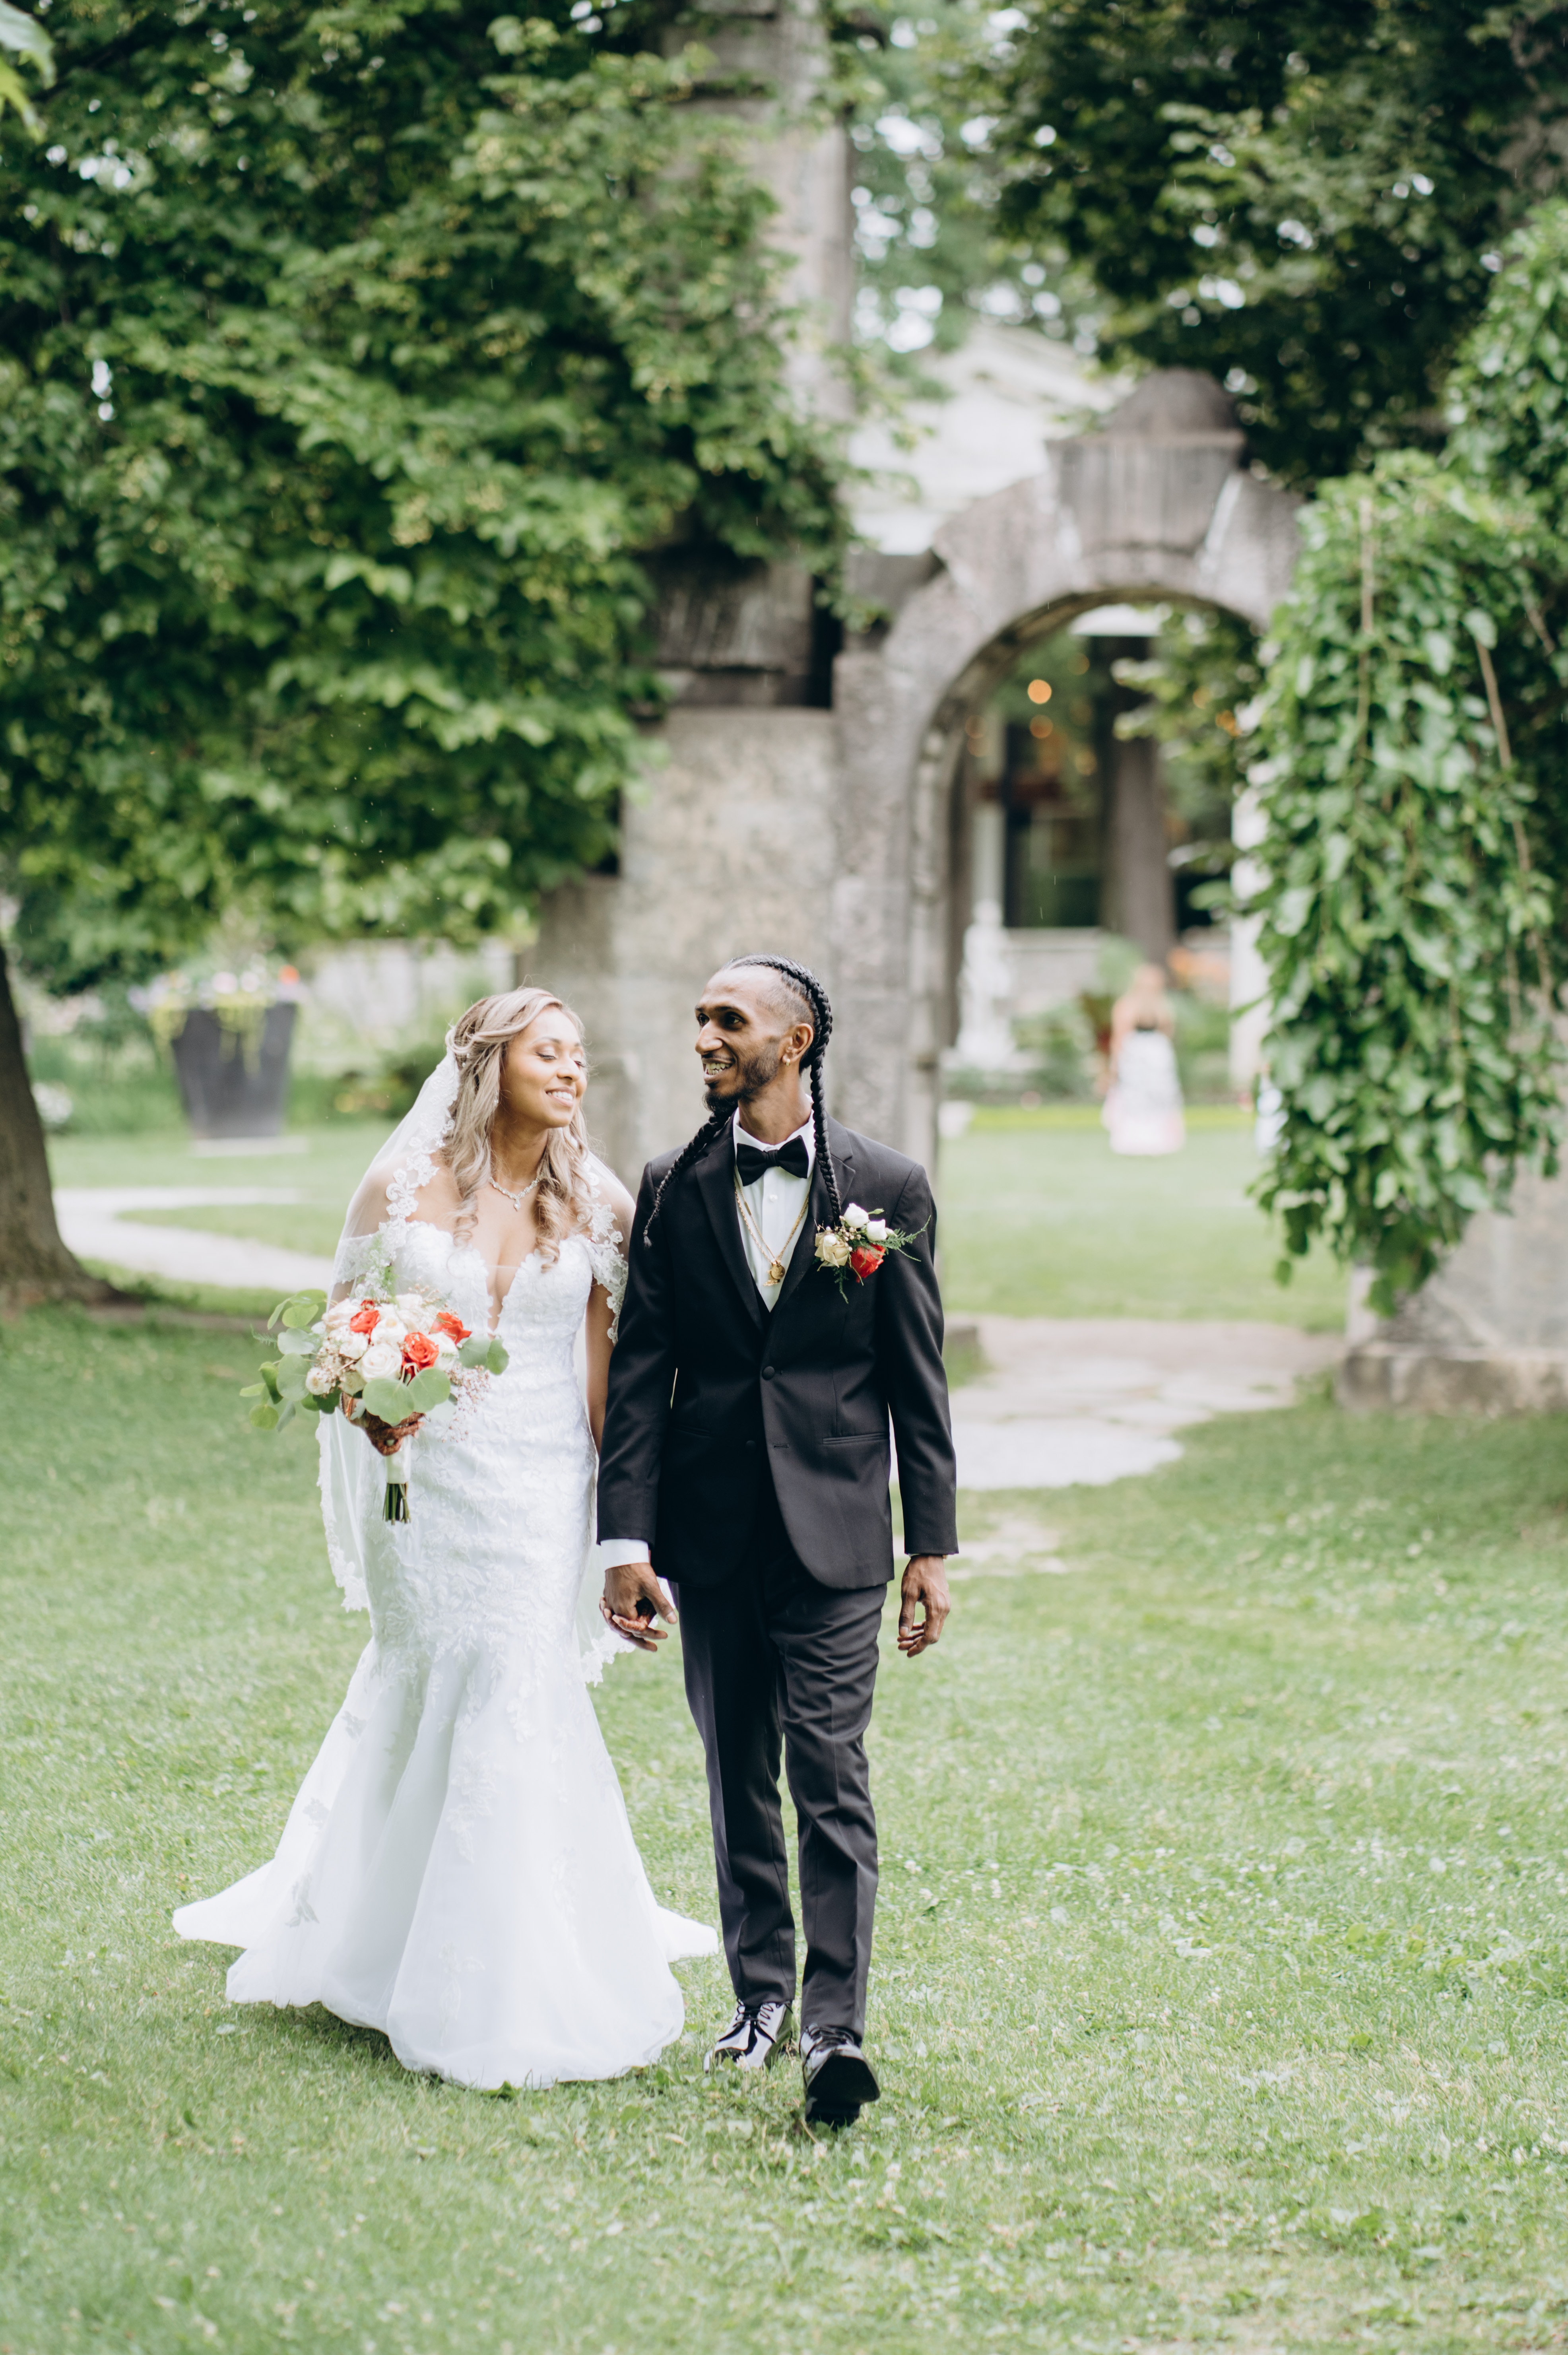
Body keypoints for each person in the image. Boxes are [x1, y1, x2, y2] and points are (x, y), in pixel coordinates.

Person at [173, 988, 716, 2089]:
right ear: (487, 1063)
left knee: (516, 1674)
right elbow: (341, 1338)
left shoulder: (600, 1201)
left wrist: (628, 1533)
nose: (570, 1070)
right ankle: (382, 1924)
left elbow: (612, 1381)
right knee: (426, 1673)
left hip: (541, 1485)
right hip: (423, 1485)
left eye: (578, 1055)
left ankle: (511, 1953)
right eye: (547, 1052)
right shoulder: (398, 1186)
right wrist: (369, 1401)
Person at [596, 955, 957, 2128]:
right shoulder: (671, 1185)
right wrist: (625, 1539)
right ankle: (759, 1999)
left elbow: (917, 1378)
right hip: (709, 1535)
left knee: (830, 1771)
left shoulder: (886, 1186)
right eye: (699, 1018)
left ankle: (835, 2025)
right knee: (736, 1773)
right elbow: (642, 1373)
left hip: (839, 1534)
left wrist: (930, 1545)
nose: (705, 1036)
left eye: (728, 1019)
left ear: (793, 1041)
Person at [1102, 962, 1186, 1156]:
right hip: (1147, 1057)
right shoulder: (1150, 1005)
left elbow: (1120, 1037)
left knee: (1153, 1099)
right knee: (1140, 1099)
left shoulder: (1157, 1004)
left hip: (1149, 1057)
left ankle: (1147, 1140)